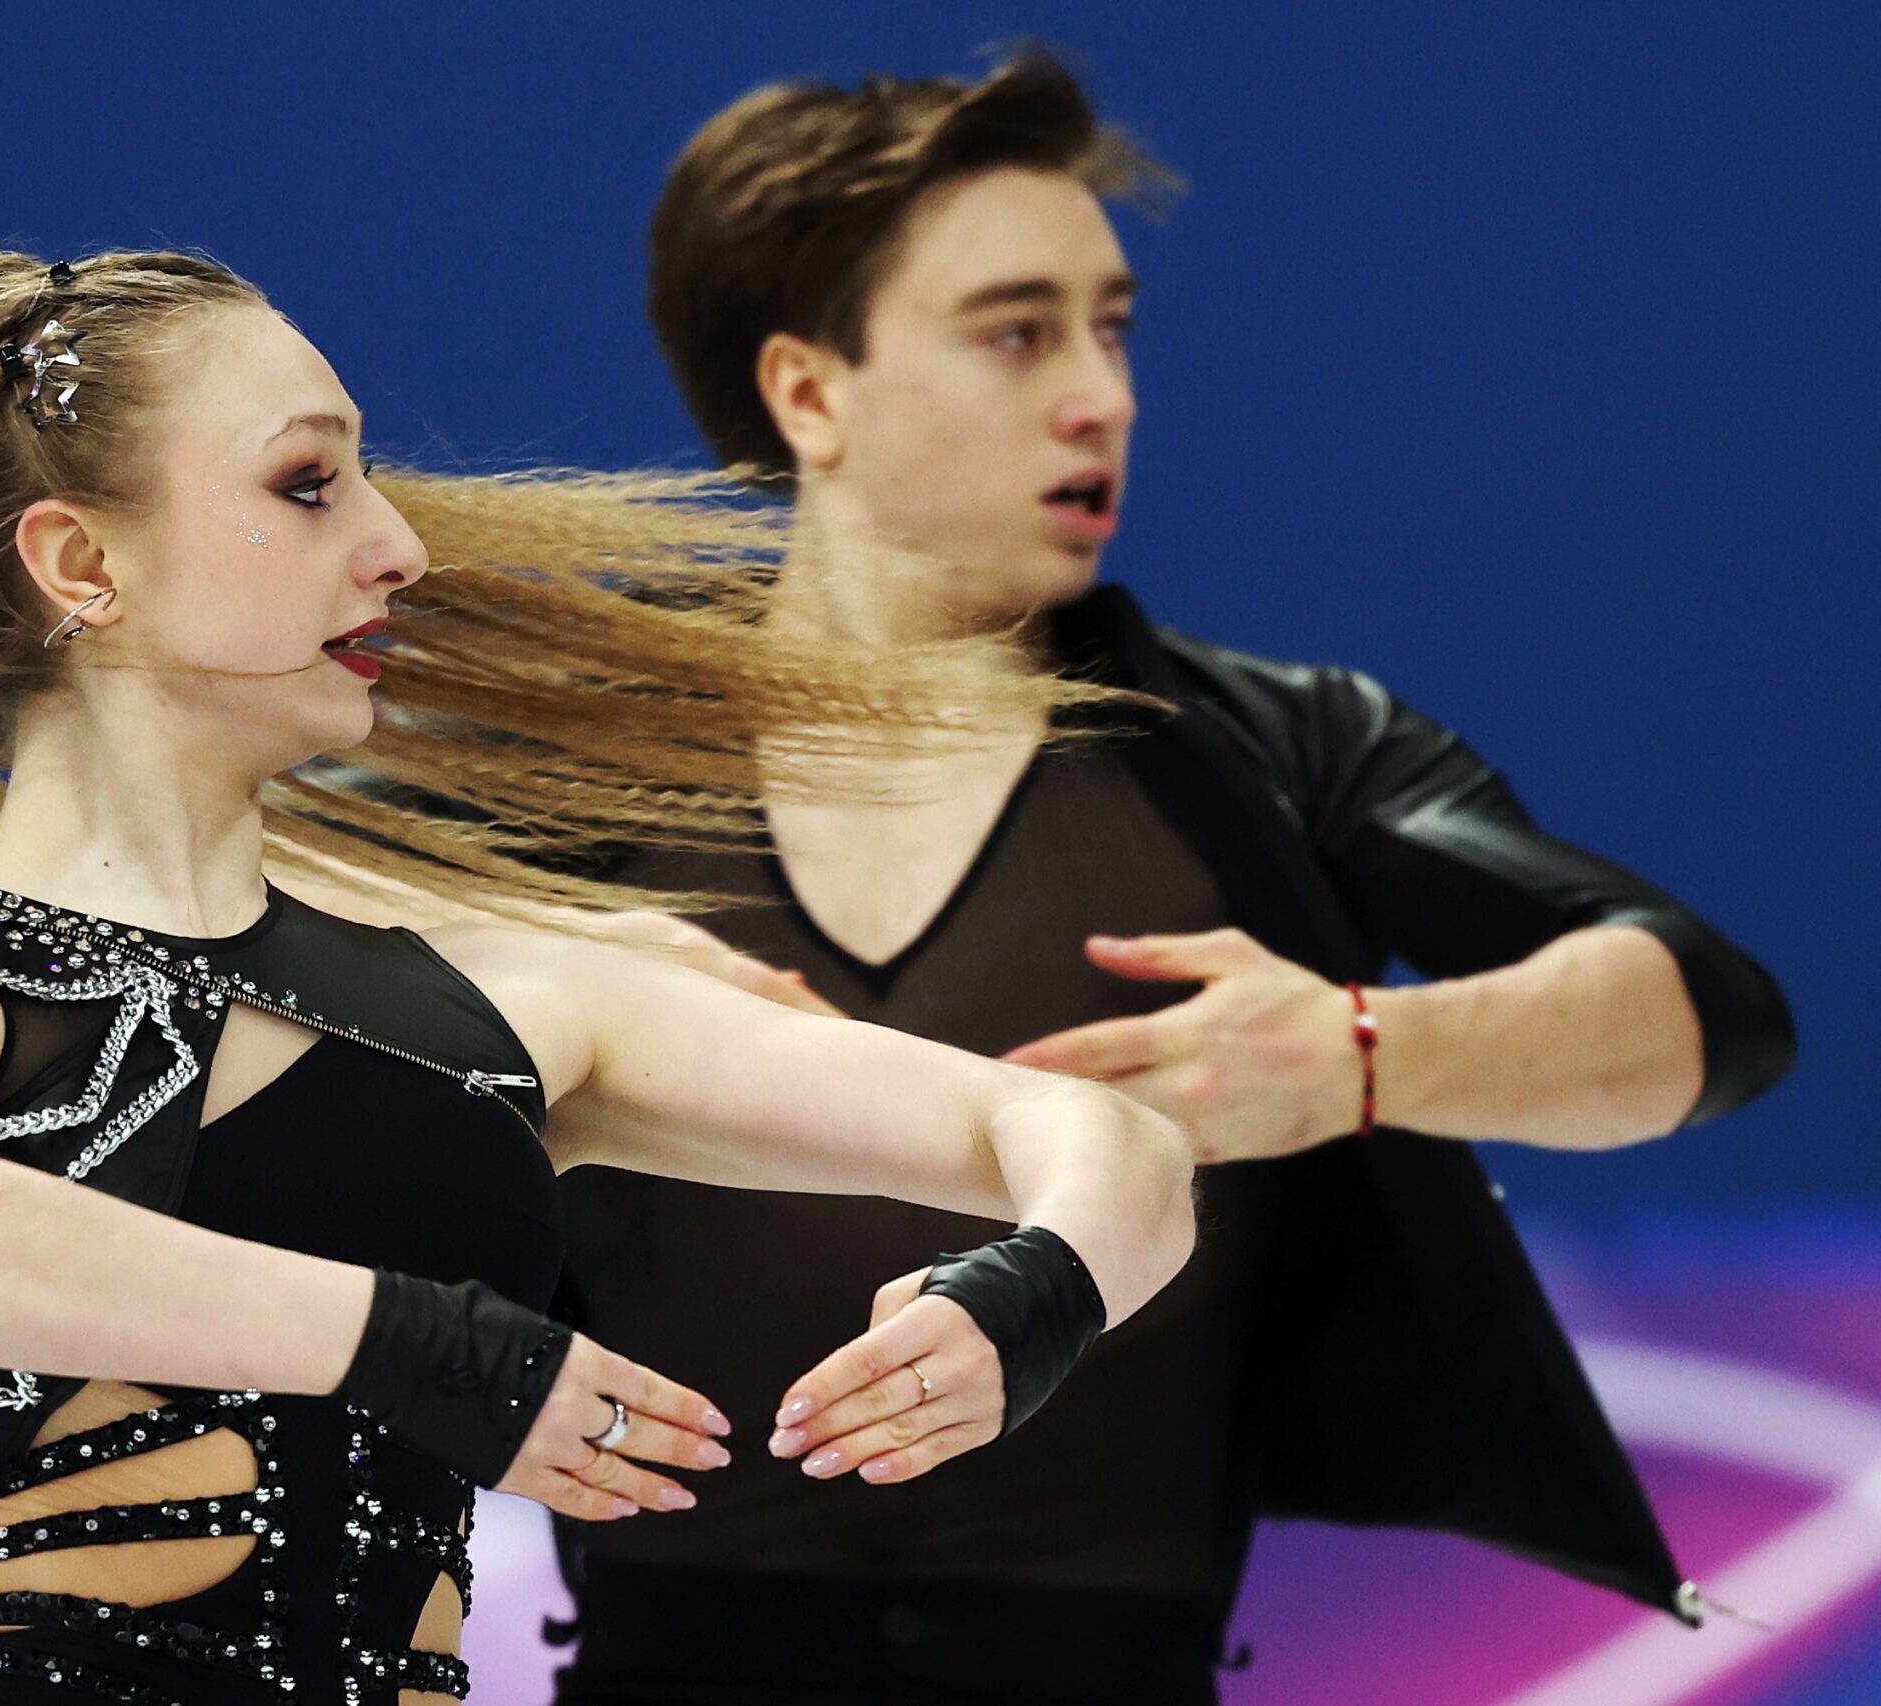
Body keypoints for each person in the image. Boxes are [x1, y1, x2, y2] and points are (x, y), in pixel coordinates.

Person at [0, 249, 1196, 1706]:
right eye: (308, 481)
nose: (398, 542)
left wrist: (1026, 1300)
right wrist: (414, 1344)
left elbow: (1099, 1142)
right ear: (81, 563)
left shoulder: (512, 993)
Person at [541, 50, 1800, 1706]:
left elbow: (1715, 1013)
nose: (1103, 394)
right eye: (1018, 331)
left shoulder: (1272, 751)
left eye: (1112, 326)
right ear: (809, 391)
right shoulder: (547, 784)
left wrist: (1371, 1052)